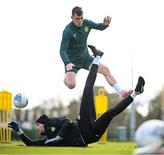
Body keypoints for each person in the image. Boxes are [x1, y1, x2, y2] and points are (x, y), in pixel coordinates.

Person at [8, 51, 145, 147]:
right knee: (104, 109)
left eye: (37, 125)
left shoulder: (53, 122)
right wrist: (18, 130)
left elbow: (67, 122)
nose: (37, 129)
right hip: (91, 136)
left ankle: (136, 93)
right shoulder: (48, 140)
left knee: (99, 103)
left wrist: (59, 137)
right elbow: (30, 143)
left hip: (84, 126)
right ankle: (97, 57)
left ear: (43, 123)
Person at [60, 6, 132, 98]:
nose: (80, 21)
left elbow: (100, 27)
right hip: (72, 62)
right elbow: (62, 50)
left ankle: (121, 92)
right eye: (77, 19)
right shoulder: (68, 31)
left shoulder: (87, 23)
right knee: (71, 85)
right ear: (72, 18)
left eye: (81, 18)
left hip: (86, 58)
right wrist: (67, 62)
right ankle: (66, 78)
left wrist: (105, 25)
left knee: (105, 69)